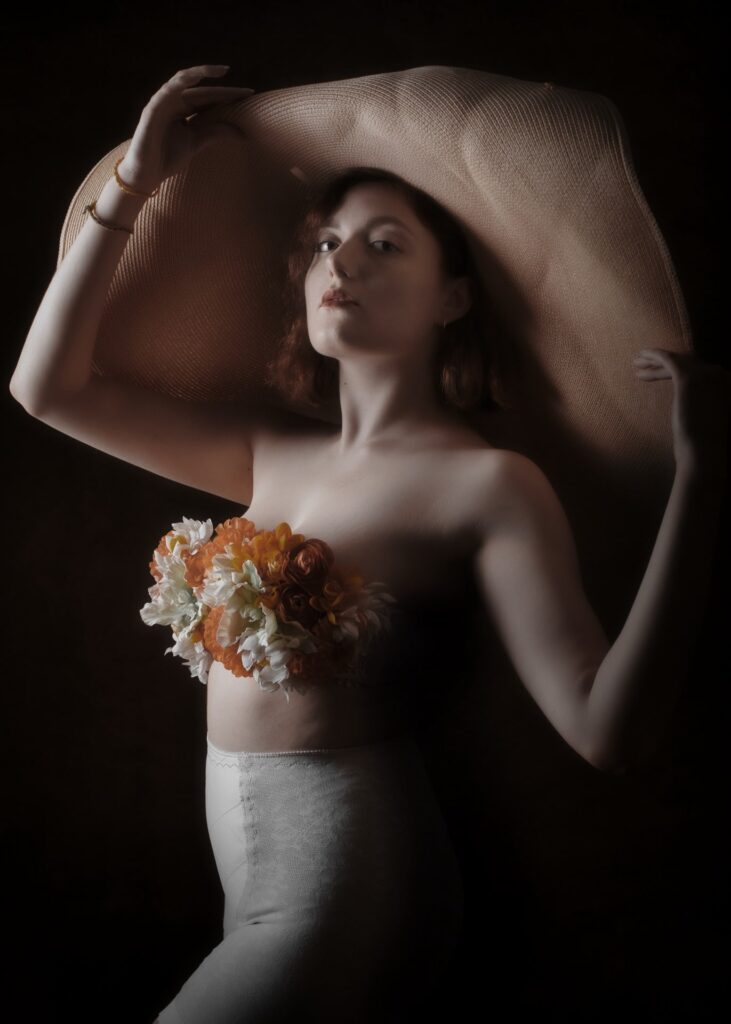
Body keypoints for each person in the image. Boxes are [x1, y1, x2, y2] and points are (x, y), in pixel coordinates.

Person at [9, 64, 729, 1023]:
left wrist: (701, 481)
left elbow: (608, 731)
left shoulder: (487, 484)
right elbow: (45, 389)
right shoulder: (270, 455)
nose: (340, 266)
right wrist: (133, 183)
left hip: (347, 895)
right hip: (250, 894)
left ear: (452, 300)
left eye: (383, 245)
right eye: (325, 244)